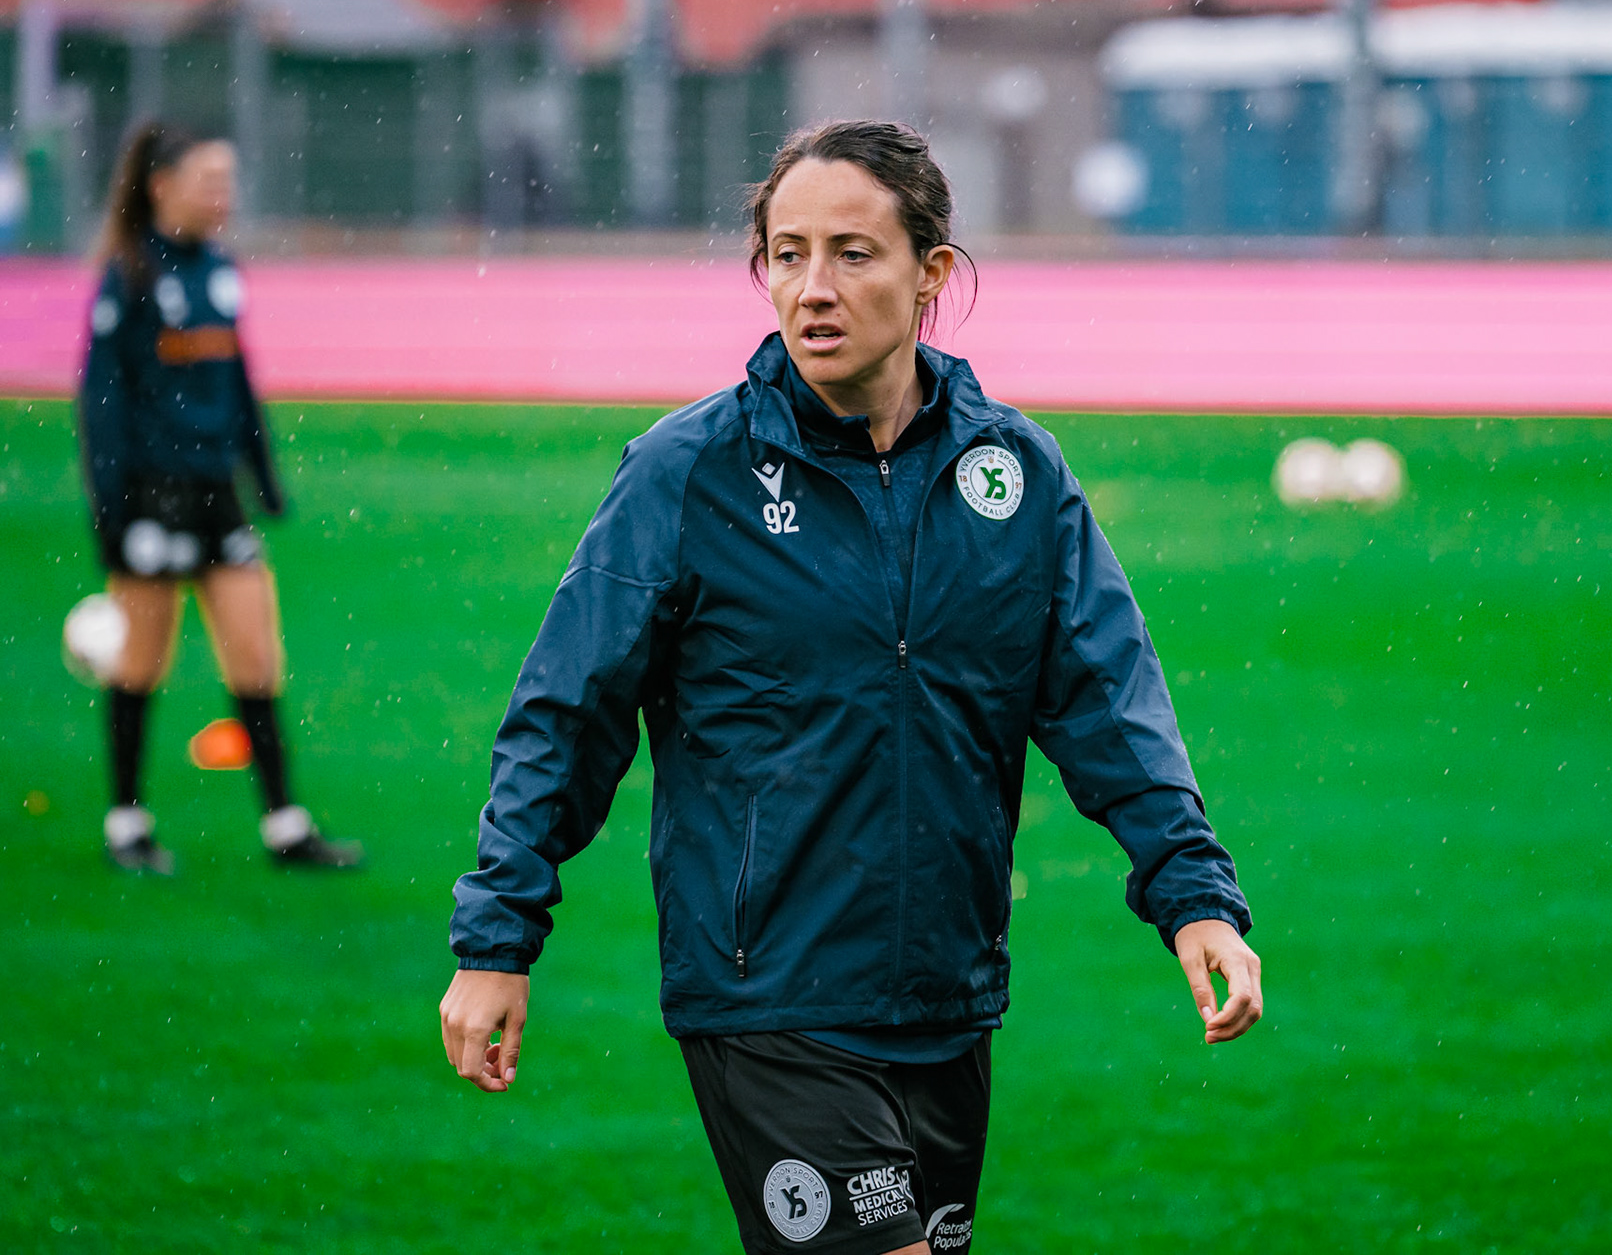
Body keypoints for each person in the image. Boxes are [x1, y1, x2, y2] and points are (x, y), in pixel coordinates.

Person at [441, 120, 1260, 1255]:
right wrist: (496, 938)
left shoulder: (1014, 475)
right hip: (772, 995)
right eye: (787, 253)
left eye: (852, 253)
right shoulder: (688, 473)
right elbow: (568, 710)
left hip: (946, 994)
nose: (811, 288)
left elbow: (1105, 697)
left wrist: (1195, 895)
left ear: (932, 274)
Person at [75, 122, 361, 873]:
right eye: (210, 180)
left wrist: (262, 476)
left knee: (257, 656)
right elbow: (101, 401)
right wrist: (111, 509)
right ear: (161, 185)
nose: (224, 195)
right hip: (150, 497)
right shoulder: (130, 275)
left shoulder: (220, 271)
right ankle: (127, 824)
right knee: (141, 660)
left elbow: (236, 380)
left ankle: (285, 826)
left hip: (216, 496)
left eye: (229, 180)